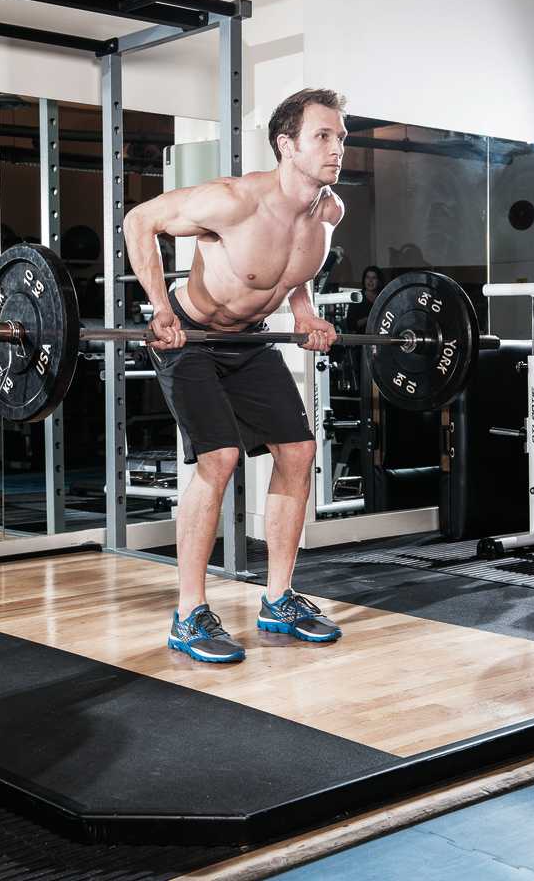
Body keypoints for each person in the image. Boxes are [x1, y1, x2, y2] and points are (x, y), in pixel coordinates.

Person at [123, 88, 347, 663]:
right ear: (286, 146)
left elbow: (291, 273)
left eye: (341, 136)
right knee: (218, 459)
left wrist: (301, 311)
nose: (337, 147)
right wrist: (159, 309)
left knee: (297, 451)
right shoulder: (233, 201)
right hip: (191, 336)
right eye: (323, 136)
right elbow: (138, 220)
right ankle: (188, 612)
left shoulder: (328, 212)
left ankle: (278, 598)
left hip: (248, 341)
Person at [346, 265, 385, 333]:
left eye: (374, 278)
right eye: (367, 277)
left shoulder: (383, 298)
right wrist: (368, 319)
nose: (370, 281)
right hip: (362, 339)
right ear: (364, 280)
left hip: (380, 337)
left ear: (378, 281)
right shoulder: (356, 297)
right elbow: (350, 325)